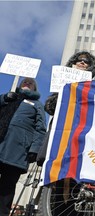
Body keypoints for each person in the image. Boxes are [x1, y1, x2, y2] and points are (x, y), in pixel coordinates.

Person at [36, 51, 95, 216]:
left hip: (80, 136)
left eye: (86, 62)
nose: (82, 63)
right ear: (73, 63)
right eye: (79, 60)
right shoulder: (62, 84)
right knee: (54, 179)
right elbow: (49, 107)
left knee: (77, 180)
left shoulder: (94, 87)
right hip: (60, 136)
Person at [0, 77, 46, 215]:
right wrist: (4, 98)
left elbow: (40, 128)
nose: (27, 83)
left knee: (7, 187)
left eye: (30, 82)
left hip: (18, 149)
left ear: (34, 88)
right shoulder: (9, 98)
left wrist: (34, 149)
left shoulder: (36, 104)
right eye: (24, 81)